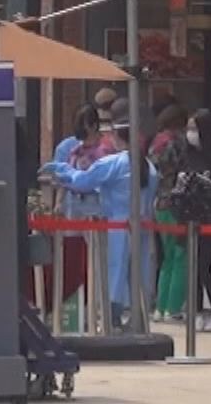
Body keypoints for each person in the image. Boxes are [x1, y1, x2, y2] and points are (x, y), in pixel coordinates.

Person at [40, 102, 155, 329]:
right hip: (142, 225)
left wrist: (61, 170)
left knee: (112, 271)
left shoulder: (114, 162)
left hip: (114, 226)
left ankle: (112, 320)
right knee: (139, 272)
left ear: (115, 136)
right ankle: (139, 319)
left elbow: (82, 181)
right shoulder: (150, 167)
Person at [174, 109, 211, 332]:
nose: (191, 133)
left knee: (203, 267)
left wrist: (206, 184)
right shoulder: (186, 155)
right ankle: (196, 312)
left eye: (195, 128)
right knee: (192, 267)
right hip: (189, 218)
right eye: (189, 128)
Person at [148, 103, 190, 322]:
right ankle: (173, 308)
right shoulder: (176, 143)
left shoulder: (155, 143)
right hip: (175, 204)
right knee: (180, 255)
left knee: (166, 257)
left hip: (158, 203)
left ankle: (160, 307)